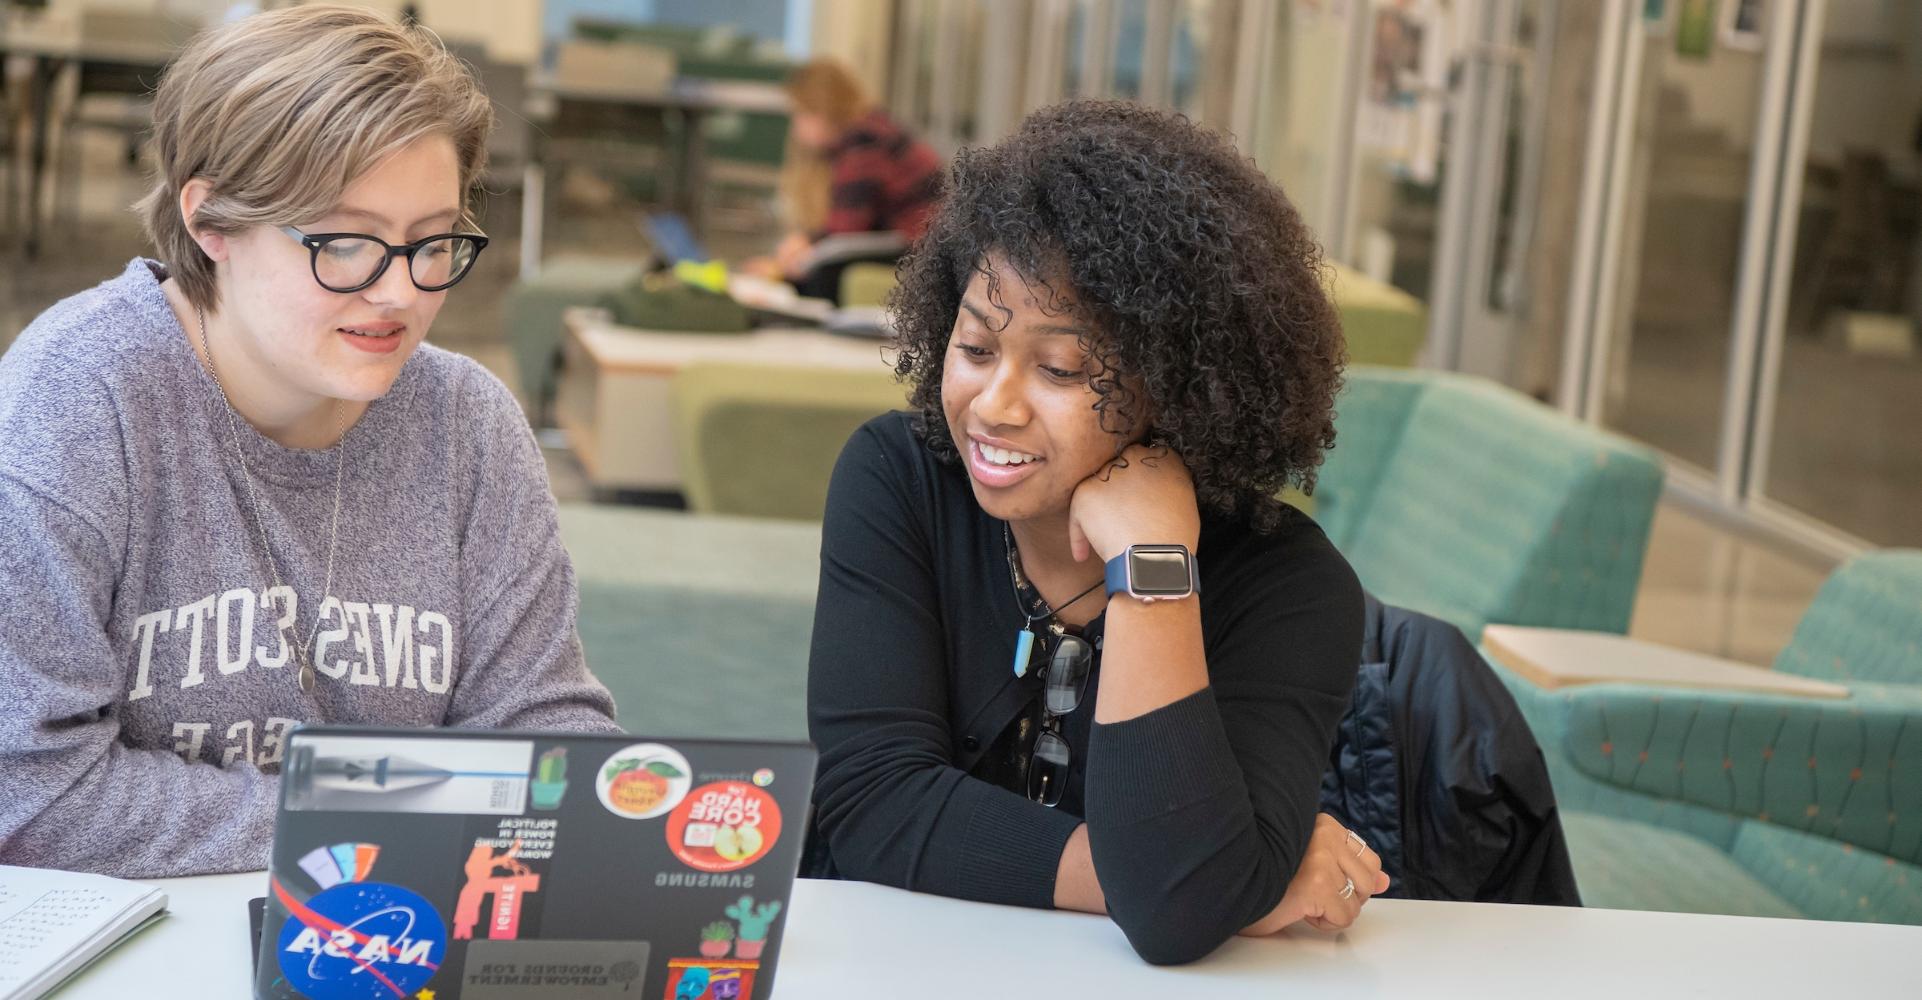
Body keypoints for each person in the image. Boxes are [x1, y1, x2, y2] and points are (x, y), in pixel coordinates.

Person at [0, 5, 617, 880]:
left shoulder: (467, 423)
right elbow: (29, 793)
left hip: (402, 931)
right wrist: (388, 815)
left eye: (431, 242)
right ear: (212, 224)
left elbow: (550, 747)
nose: (401, 292)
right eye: (347, 242)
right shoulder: (75, 402)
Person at [806, 101, 1385, 966]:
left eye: (1061, 368)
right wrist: (1230, 880)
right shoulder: (900, 479)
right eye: (975, 348)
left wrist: (1153, 570)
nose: (994, 407)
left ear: (1180, 385)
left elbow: (1177, 916)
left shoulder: (1289, 588)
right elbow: (868, 802)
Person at [748, 58, 942, 302]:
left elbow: (847, 228)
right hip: (913, 244)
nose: (797, 129)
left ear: (821, 109)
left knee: (822, 276)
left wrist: (792, 257)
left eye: (801, 115)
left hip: (920, 249)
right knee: (816, 268)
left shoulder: (865, 141)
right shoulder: (870, 131)